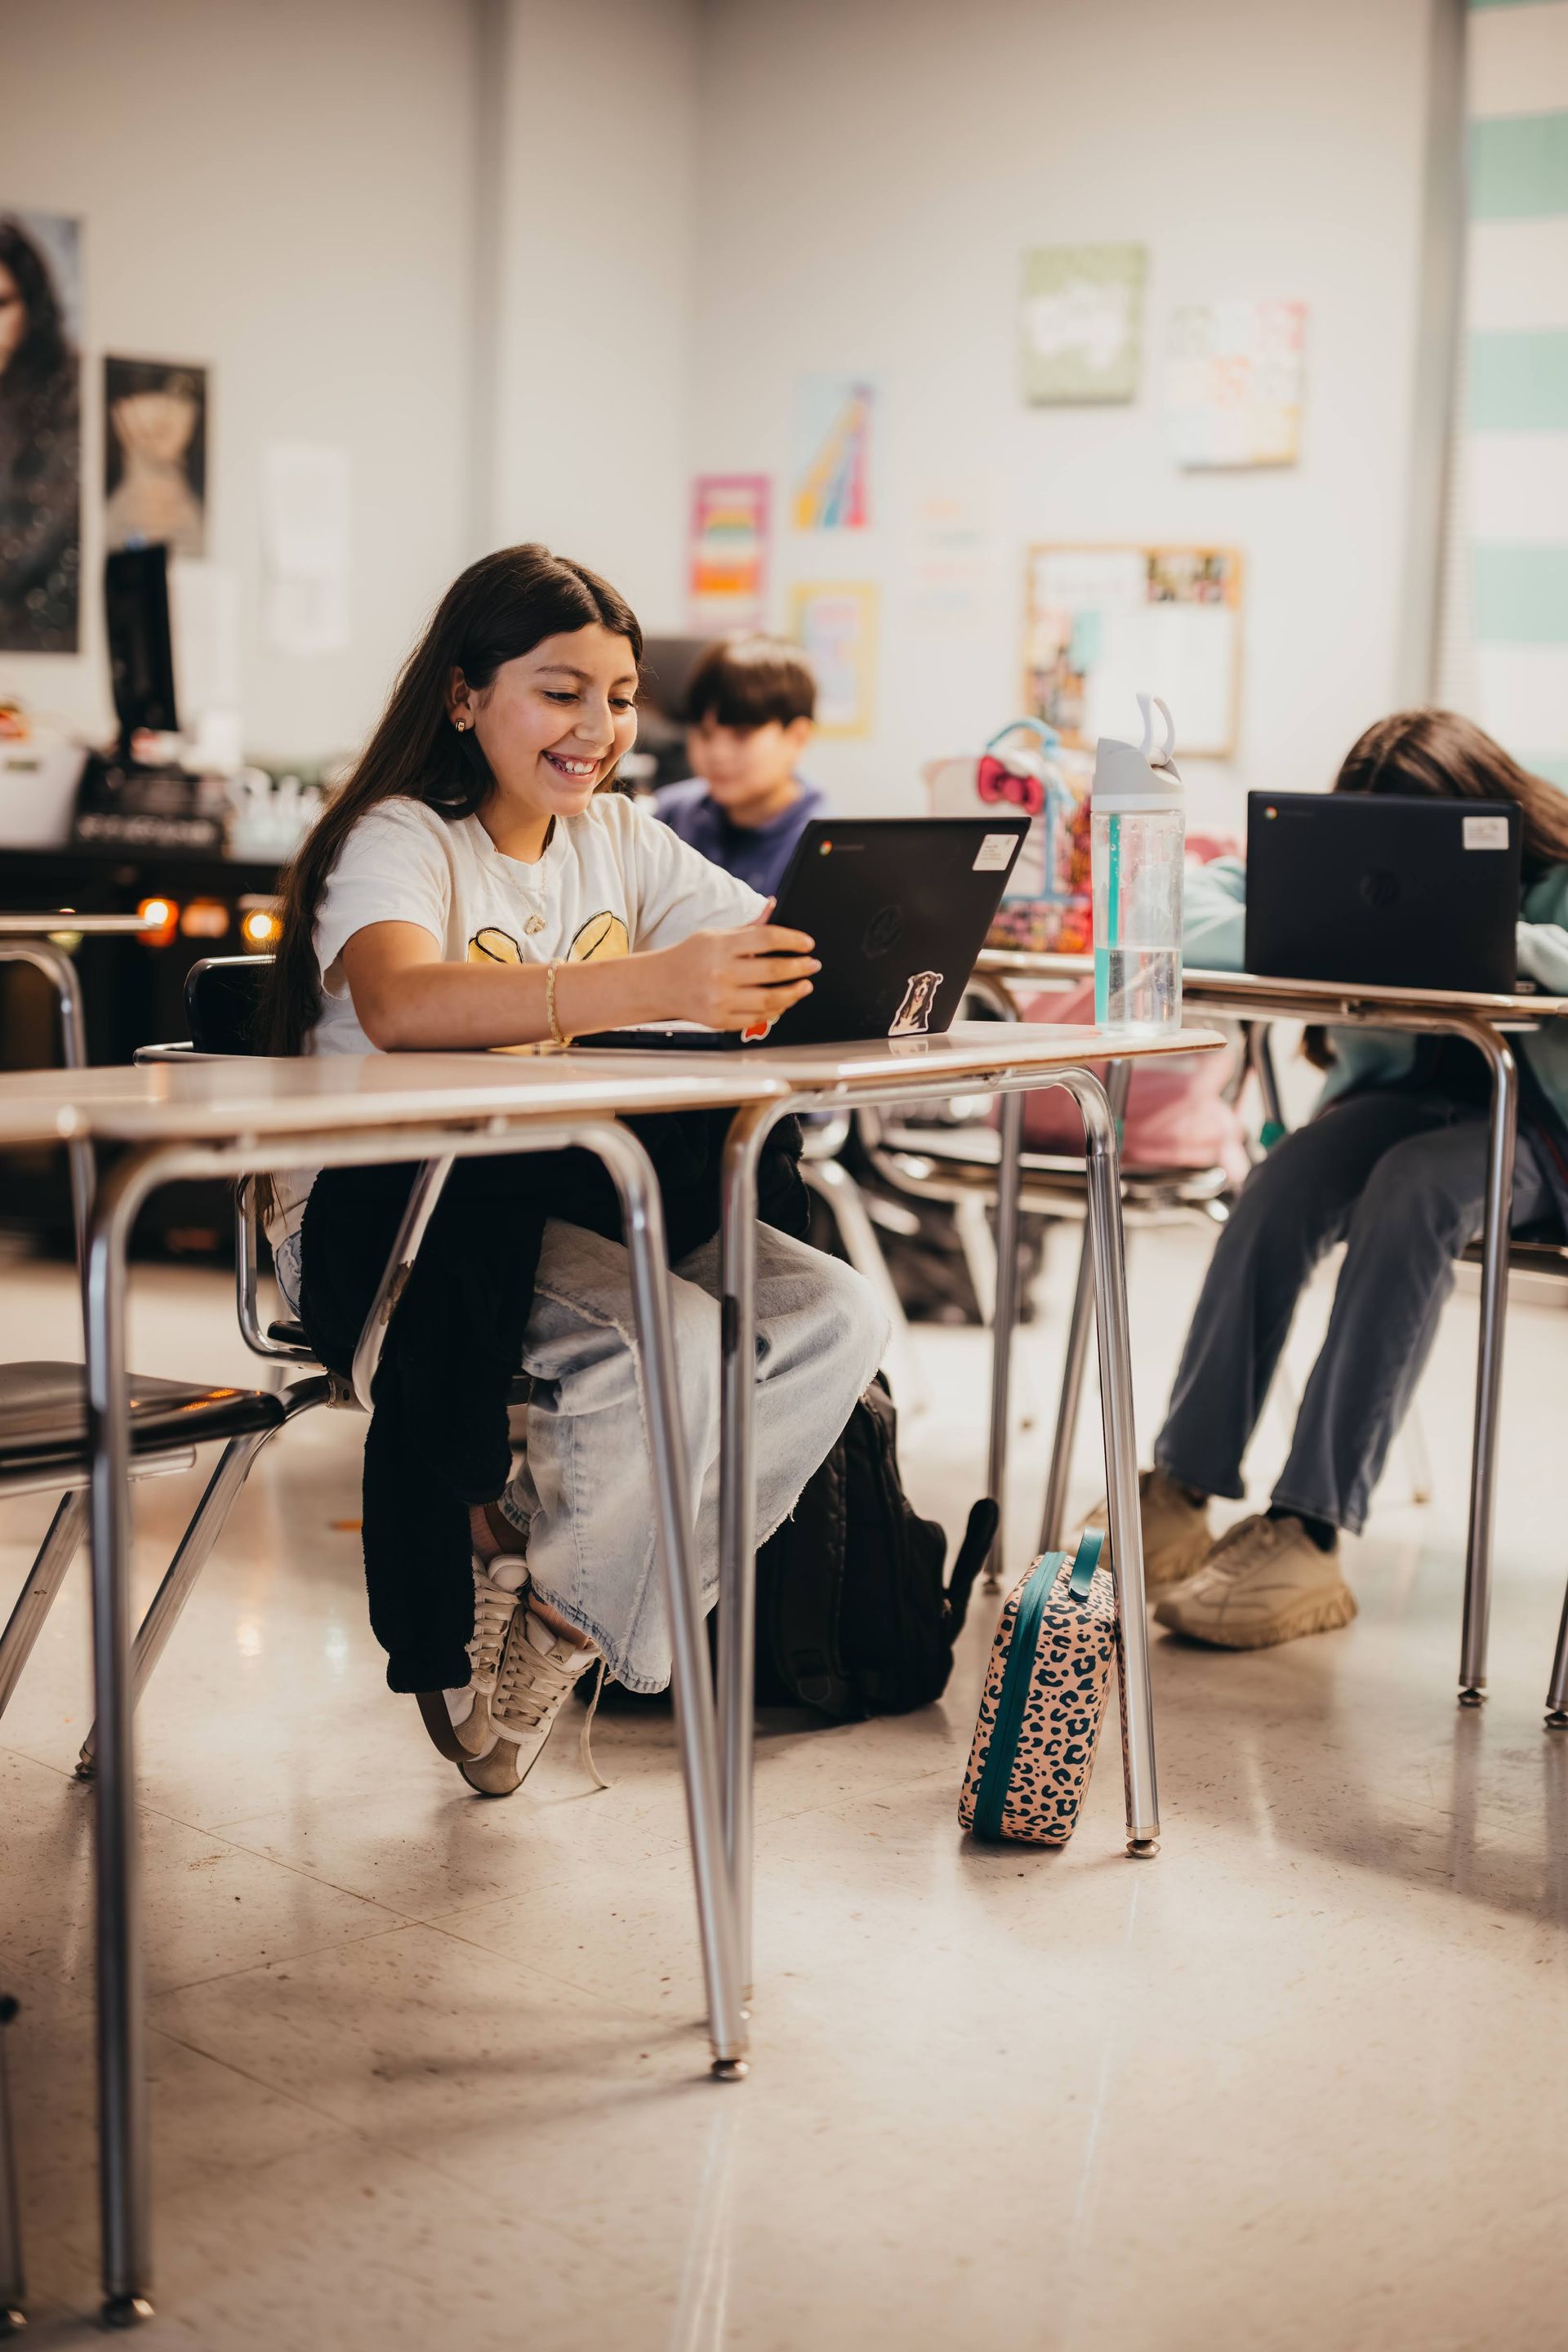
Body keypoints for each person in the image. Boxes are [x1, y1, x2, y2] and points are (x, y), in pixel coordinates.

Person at [261, 545, 887, 1795]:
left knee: (833, 1314)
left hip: (555, 1191)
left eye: (619, 694)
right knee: (667, 1336)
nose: (598, 727)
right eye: (561, 691)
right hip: (393, 1216)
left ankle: (569, 1623)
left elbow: (767, 946)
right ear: (463, 696)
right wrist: (659, 982)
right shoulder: (397, 838)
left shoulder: (620, 837)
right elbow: (396, 998)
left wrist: (871, 950)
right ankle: (589, 1607)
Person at [1114, 710, 1568, 1650]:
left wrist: (1494, 936)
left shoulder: (1556, 876)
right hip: (1406, 1107)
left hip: (1545, 1139)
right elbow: (1182, 915)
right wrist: (1342, 914)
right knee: (1284, 1177)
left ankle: (1311, 1527)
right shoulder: (1337, 860)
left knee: (1414, 1188)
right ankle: (1180, 1486)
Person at [656, 633, 827, 895]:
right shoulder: (669, 817)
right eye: (704, 733)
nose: (718, 754)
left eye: (742, 734)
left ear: (797, 737)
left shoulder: (824, 845)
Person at [0, 217, 79, 653]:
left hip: (37, 634)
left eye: (0, 304)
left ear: (31, 306)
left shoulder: (64, 401)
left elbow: (25, 548)